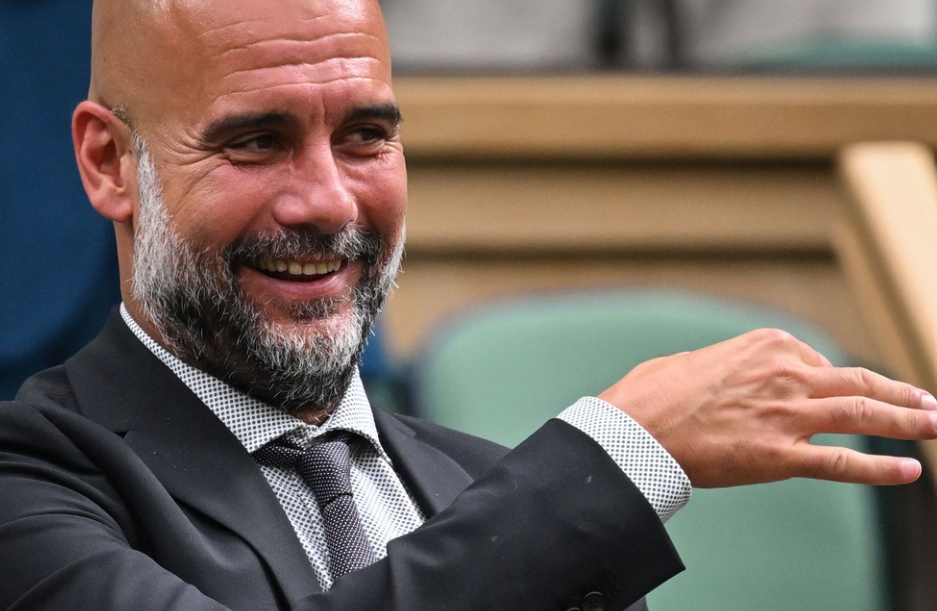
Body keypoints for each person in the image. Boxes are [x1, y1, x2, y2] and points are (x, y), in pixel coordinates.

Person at [1, 0, 935, 610]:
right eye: (255, 142)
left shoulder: (496, 493)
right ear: (109, 163)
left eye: (365, 135)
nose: (327, 200)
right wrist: (612, 461)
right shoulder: (30, 489)